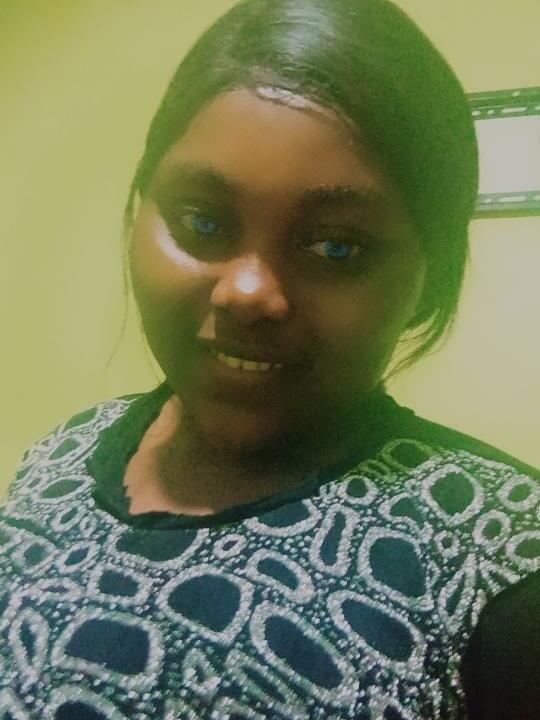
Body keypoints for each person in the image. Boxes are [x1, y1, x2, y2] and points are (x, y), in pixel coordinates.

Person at [1, 0, 538, 717]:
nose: (247, 292)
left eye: (337, 246)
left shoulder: (499, 550)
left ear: (428, 278)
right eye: (202, 220)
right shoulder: (61, 456)